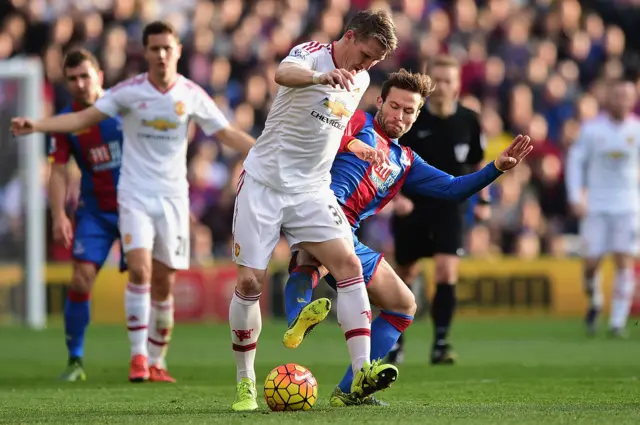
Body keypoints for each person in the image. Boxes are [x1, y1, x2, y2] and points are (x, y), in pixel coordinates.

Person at [11, 21, 256, 383]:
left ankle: (157, 360)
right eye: (153, 48)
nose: (160, 54)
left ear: (178, 51)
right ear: (145, 53)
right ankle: (138, 358)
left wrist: (266, 150)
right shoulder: (128, 92)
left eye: (166, 48)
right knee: (139, 270)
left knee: (164, 284)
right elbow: (82, 117)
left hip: (173, 199)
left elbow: (225, 133)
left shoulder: (191, 94)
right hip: (134, 195)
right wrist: (39, 125)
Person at [283, 69, 532, 406]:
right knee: (316, 258)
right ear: (379, 102)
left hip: (348, 233)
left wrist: (496, 169)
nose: (400, 116)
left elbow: (452, 188)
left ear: (417, 115)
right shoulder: (356, 121)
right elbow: (321, 130)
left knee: (404, 305)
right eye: (395, 106)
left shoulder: (406, 161)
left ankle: (349, 389)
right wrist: (351, 142)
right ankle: (298, 315)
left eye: (409, 111)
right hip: (318, 209)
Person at [229, 9, 399, 412]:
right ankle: (245, 382)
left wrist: (354, 144)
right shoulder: (311, 53)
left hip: (311, 190)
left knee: (349, 267)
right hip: (264, 184)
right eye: (366, 54)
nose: (367, 65)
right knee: (250, 284)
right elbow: (282, 75)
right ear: (351, 35)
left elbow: (331, 123)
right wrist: (321, 77)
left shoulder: (361, 79)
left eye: (376, 61)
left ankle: (362, 371)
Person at [388, 55, 490, 365]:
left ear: (458, 85)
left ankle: (441, 342)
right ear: (429, 83)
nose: (443, 86)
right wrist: (394, 198)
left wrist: (483, 200)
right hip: (411, 205)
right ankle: (396, 343)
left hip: (450, 207)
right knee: (405, 273)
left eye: (449, 80)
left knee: (447, 270)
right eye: (438, 80)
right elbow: (389, 158)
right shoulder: (412, 118)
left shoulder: (469, 120)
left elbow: (476, 163)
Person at [48, 49, 124, 381]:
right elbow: (59, 171)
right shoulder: (66, 122)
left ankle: (149, 358)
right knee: (80, 280)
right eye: (72, 79)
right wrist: (58, 215)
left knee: (148, 278)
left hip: (136, 207)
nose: (79, 84)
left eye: (85, 76)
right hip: (95, 212)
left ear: (100, 76)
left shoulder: (124, 107)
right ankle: (75, 359)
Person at [565, 78, 640, 338]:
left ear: (633, 99)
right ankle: (595, 301)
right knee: (591, 263)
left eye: (626, 96)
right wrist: (576, 196)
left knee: (624, 260)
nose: (621, 101)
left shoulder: (637, 130)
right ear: (609, 98)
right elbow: (575, 162)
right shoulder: (592, 130)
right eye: (617, 95)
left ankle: (618, 321)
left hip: (628, 204)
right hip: (596, 204)